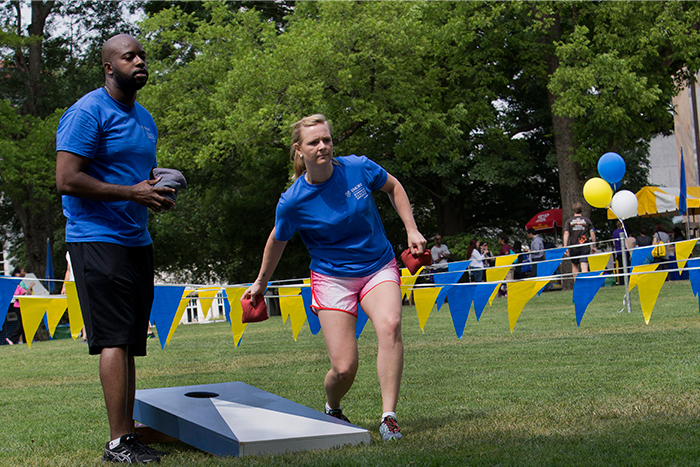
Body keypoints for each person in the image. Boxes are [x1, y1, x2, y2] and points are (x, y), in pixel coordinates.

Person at [242, 114, 426, 441]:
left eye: (326, 139)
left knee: (391, 325)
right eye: (314, 142)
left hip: (377, 266)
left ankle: (389, 417)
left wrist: (411, 229)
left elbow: (393, 186)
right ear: (299, 150)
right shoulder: (293, 200)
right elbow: (278, 239)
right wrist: (261, 281)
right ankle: (333, 407)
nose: (323, 146)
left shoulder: (357, 168)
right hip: (332, 278)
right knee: (344, 368)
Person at [55, 34, 174, 463]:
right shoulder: (87, 112)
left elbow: (137, 177)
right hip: (95, 237)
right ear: (109, 67)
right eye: (129, 57)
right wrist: (131, 192)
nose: (139, 61)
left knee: (129, 340)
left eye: (142, 55)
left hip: (136, 239)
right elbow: (67, 179)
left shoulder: (144, 117)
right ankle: (117, 442)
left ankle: (129, 436)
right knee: (113, 339)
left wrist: (156, 189)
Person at [563, 201, 596, 277]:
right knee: (584, 267)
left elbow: (566, 233)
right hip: (585, 246)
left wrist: (565, 246)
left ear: (573, 210)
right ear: (582, 209)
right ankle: (584, 286)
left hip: (573, 247)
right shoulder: (587, 220)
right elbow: (592, 234)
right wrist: (594, 246)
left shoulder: (569, 221)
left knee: (575, 266)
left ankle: (576, 285)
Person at [5, 267, 34, 345]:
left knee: (25, 323)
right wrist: (30, 286)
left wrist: (29, 290)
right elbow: (17, 296)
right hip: (18, 306)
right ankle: (12, 338)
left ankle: (26, 340)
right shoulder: (15, 286)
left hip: (24, 305)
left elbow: (28, 293)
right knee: (22, 323)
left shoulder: (20, 286)